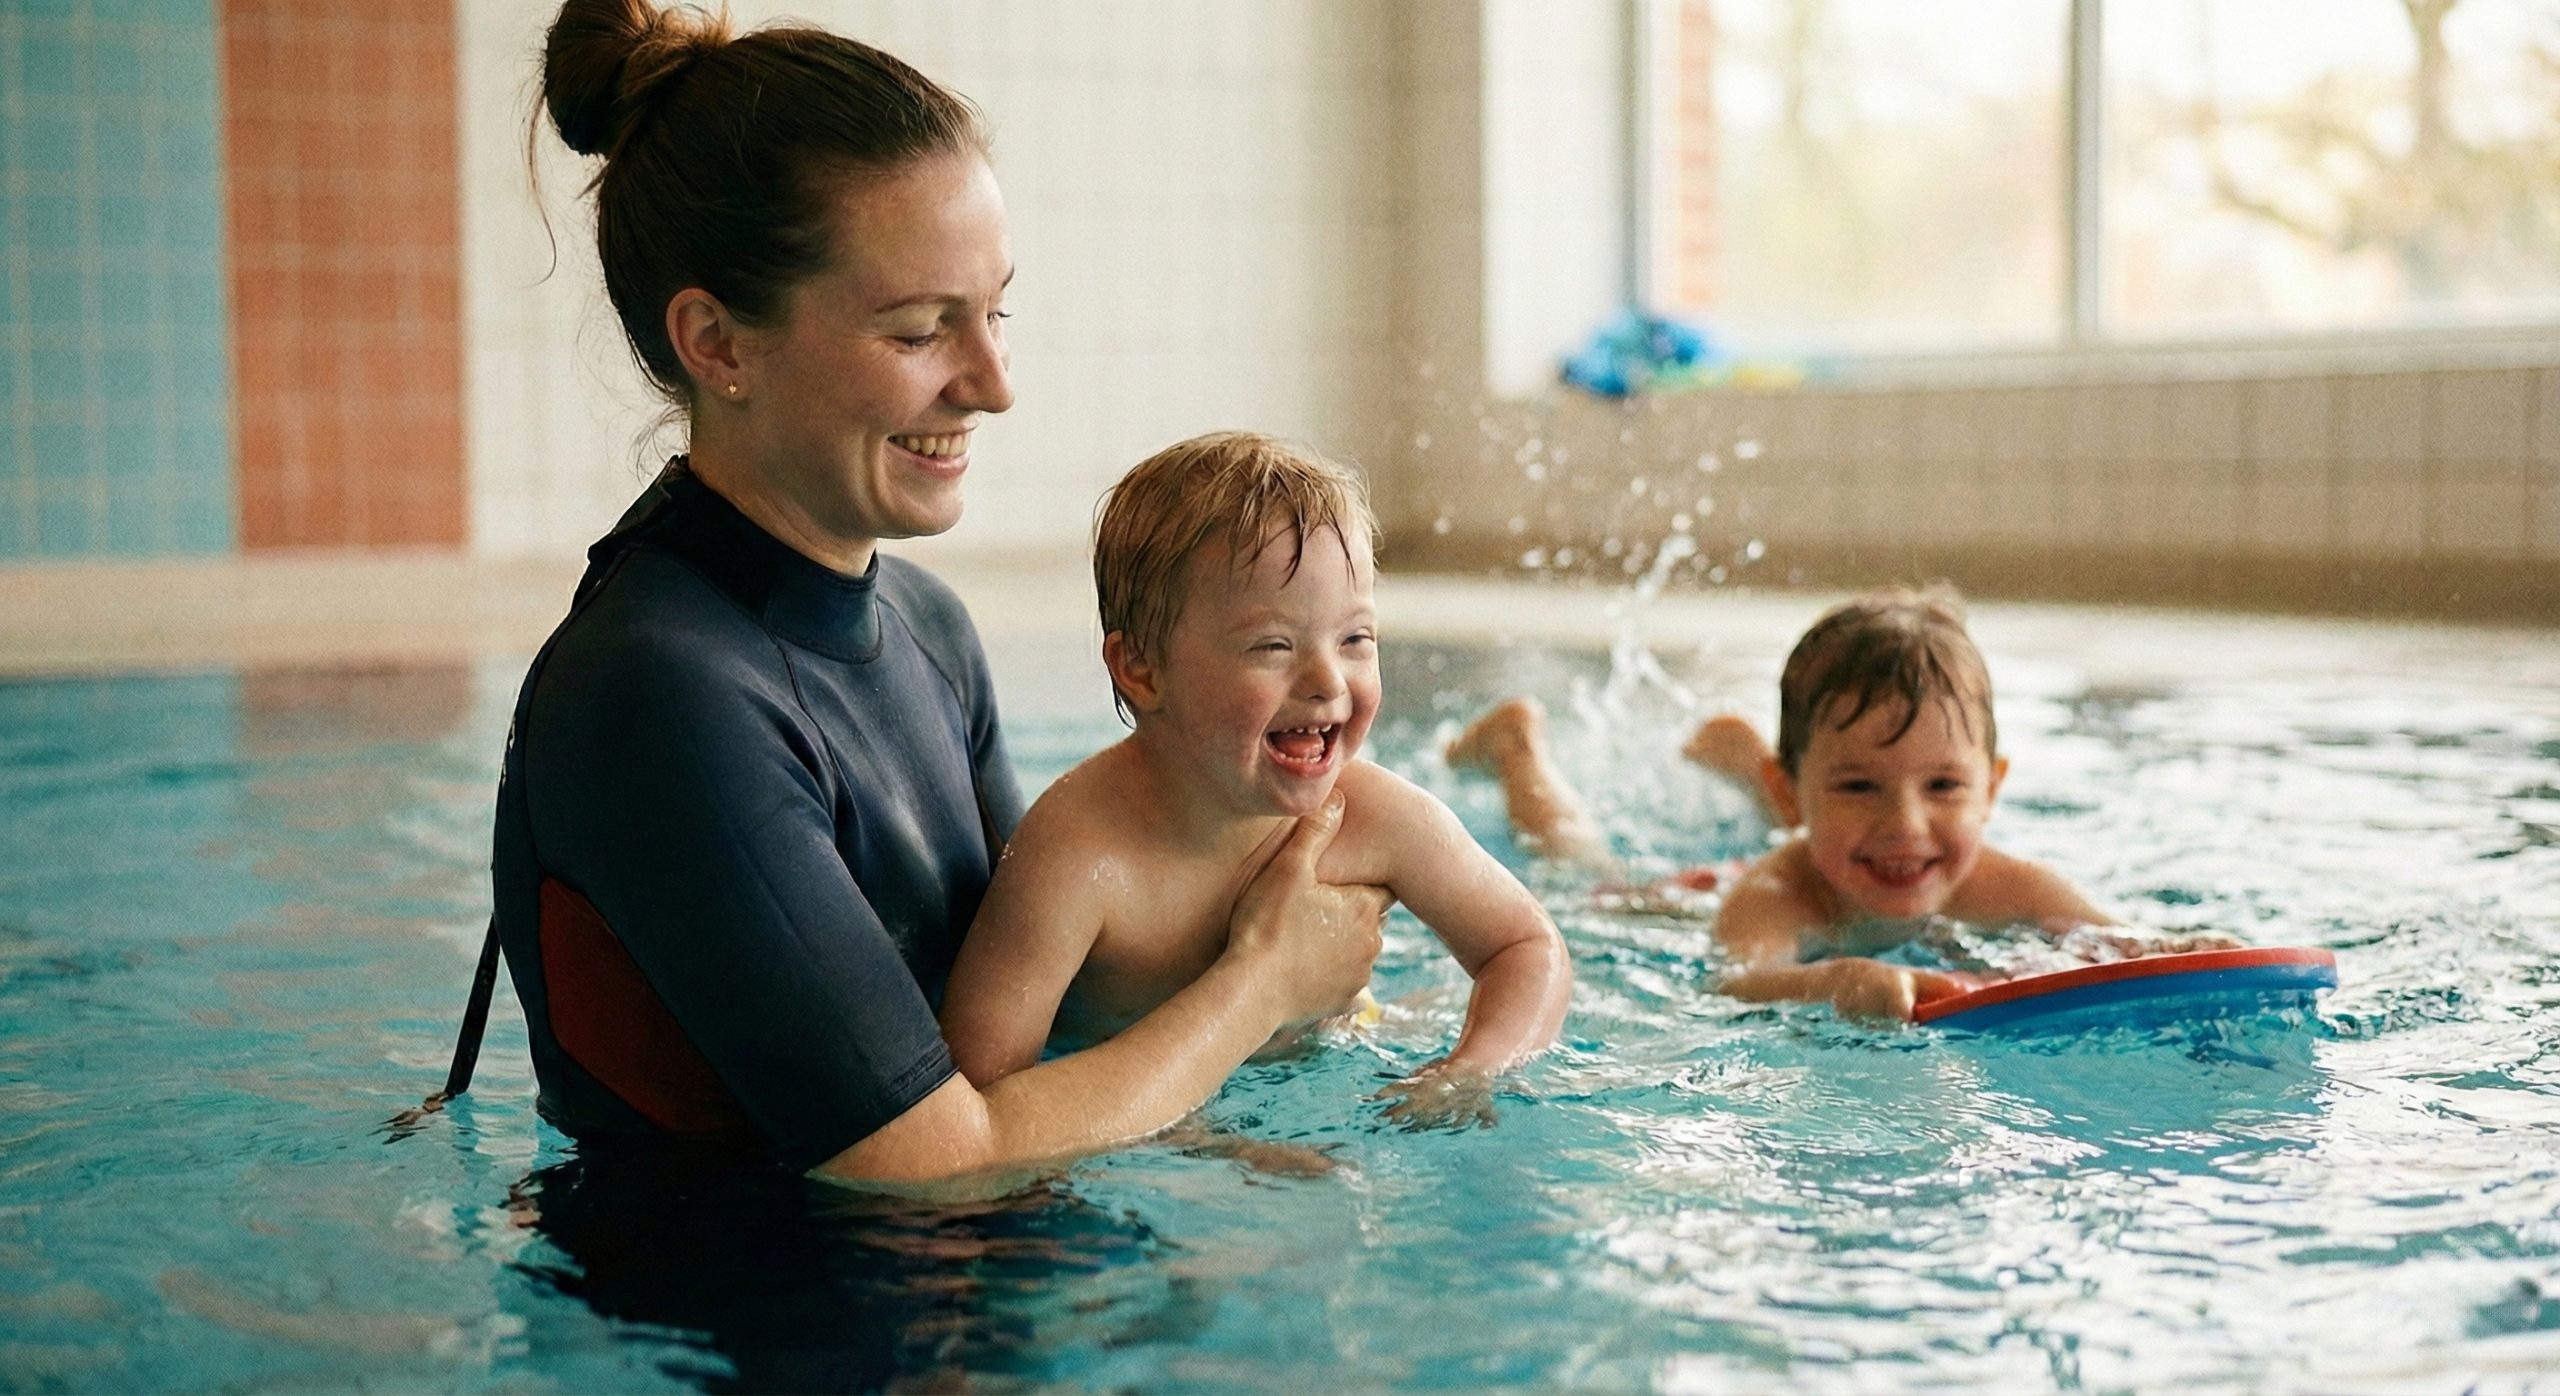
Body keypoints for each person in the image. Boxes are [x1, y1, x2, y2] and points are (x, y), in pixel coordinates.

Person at [466, 0, 1388, 1187]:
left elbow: (1051, 1035)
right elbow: (921, 1159)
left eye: (993, 313)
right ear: (719, 344)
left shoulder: (930, 633)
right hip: (747, 1327)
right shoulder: (659, 693)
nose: (993, 385)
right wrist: (1265, 977)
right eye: (919, 331)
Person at [938, 433, 1573, 1127]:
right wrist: (1197, 1143)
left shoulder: (1375, 817)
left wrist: (1469, 1071)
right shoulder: (1079, 859)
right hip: (1150, 1101)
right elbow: (978, 1094)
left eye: (1356, 639)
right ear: (1142, 670)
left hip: (1346, 1033)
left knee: (1594, 878)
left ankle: (1518, 757)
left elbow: (1528, 947)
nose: (1329, 680)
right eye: (1274, 646)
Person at [1448, 586, 2228, 1021]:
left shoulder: (2005, 881)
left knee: (1853, 823)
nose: (1906, 825)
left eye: (1945, 787)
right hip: (1697, 892)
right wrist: (1827, 980)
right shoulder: (1773, 896)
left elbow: (2114, 939)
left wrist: (2181, 946)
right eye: (1859, 785)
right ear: (1798, 796)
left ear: (1992, 789)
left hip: (1807, 819)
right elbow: (1732, 980)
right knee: (1581, 871)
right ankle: (1519, 749)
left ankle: (1759, 766)